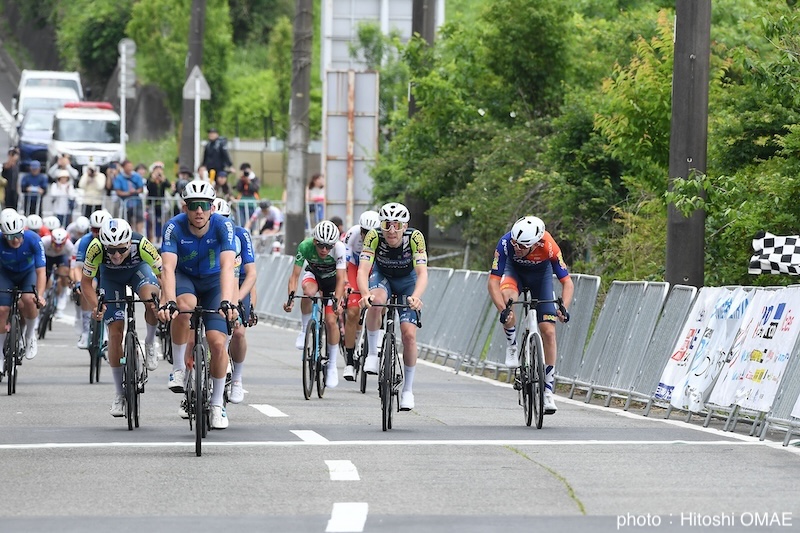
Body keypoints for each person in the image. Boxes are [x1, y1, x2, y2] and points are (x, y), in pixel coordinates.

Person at [157, 180, 239, 429]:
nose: (199, 211)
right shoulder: (174, 227)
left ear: (212, 207)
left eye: (204, 205)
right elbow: (168, 268)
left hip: (214, 282)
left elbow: (227, 266)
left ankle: (216, 404)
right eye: (194, 206)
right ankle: (179, 368)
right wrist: (168, 300)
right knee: (184, 308)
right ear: (185, 207)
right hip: (186, 278)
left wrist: (227, 301)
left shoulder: (224, 225)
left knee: (216, 342)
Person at [487, 215, 574, 415]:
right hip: (513, 273)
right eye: (516, 243)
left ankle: (548, 391)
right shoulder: (505, 243)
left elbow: (567, 282)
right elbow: (492, 282)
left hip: (540, 278)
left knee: (549, 332)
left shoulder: (549, 245)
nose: (517, 248)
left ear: (536, 244)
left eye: (523, 245)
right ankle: (512, 345)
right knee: (508, 298)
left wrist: (564, 307)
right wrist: (503, 309)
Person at [81, 218, 162, 418]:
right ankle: (119, 394)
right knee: (115, 333)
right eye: (111, 251)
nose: (116, 255)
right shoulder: (95, 247)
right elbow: (85, 282)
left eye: (121, 250)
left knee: (152, 301)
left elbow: (164, 273)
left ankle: (150, 342)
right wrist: (95, 306)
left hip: (138, 272)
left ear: (128, 243)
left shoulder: (141, 243)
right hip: (111, 279)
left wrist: (166, 301)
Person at [357, 202, 427, 411]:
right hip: (383, 276)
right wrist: (364, 294)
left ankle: (407, 390)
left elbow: (422, 273)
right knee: (376, 301)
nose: (392, 230)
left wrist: (416, 296)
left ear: (405, 226)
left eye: (397, 225)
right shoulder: (374, 236)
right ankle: (371, 354)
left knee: (408, 335)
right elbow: (363, 271)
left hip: (408, 281)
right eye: (387, 225)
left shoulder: (415, 237)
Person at [282, 220, 346, 388]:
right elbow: (295, 276)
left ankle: (332, 365)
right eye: (321, 245)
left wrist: (336, 301)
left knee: (331, 321)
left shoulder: (339, 249)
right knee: (308, 293)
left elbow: (341, 280)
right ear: (315, 241)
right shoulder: (305, 246)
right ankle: (304, 330)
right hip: (314, 276)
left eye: (328, 246)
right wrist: (290, 298)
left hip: (332, 282)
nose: (325, 250)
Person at [212, 197, 257, 404]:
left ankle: (237, 378)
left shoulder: (241, 234)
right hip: (214, 283)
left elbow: (251, 274)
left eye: (225, 220)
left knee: (238, 331)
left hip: (238, 285)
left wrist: (244, 302)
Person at [0, 209, 47, 369]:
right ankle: (0, 355)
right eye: (10, 237)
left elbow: (41, 271)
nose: (15, 240)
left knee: (29, 299)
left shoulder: (33, 239)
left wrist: (39, 295)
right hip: (5, 274)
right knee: (2, 309)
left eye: (18, 235)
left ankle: (30, 334)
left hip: (27, 274)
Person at [340, 210, 380, 380]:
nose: (366, 236)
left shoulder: (382, 237)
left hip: (375, 268)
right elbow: (346, 265)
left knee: (379, 301)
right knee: (352, 312)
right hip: (356, 268)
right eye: (364, 232)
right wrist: (347, 285)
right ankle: (349, 362)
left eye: (370, 233)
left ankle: (380, 329)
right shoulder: (352, 235)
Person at [72, 209, 112, 349]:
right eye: (94, 230)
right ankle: (84, 331)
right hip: (92, 273)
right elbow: (77, 267)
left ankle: (107, 334)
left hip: (109, 273)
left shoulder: (115, 238)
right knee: (86, 287)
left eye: (100, 230)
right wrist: (78, 283)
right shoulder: (84, 241)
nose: (97, 233)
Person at [41, 227, 76, 319]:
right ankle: (45, 294)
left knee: (64, 272)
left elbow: (72, 264)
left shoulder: (69, 246)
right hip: (47, 257)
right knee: (44, 277)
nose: (58, 247)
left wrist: (70, 277)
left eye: (61, 245)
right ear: (51, 240)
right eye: (55, 244)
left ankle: (62, 299)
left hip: (61, 258)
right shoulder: (44, 241)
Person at [113, 160, 145, 235]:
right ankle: (128, 235)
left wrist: (135, 191)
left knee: (139, 219)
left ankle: (139, 234)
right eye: (128, 167)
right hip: (125, 203)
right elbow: (118, 191)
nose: (130, 168)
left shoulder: (136, 176)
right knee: (127, 220)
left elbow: (141, 188)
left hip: (136, 202)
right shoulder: (119, 178)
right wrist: (127, 193)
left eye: (131, 166)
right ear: (123, 167)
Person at [145, 162, 170, 245]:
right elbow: (148, 186)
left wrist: (162, 178)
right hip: (152, 204)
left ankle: (160, 238)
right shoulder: (150, 179)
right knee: (151, 221)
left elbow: (168, 185)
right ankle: (151, 239)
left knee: (161, 221)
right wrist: (153, 178)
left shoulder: (162, 180)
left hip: (161, 204)